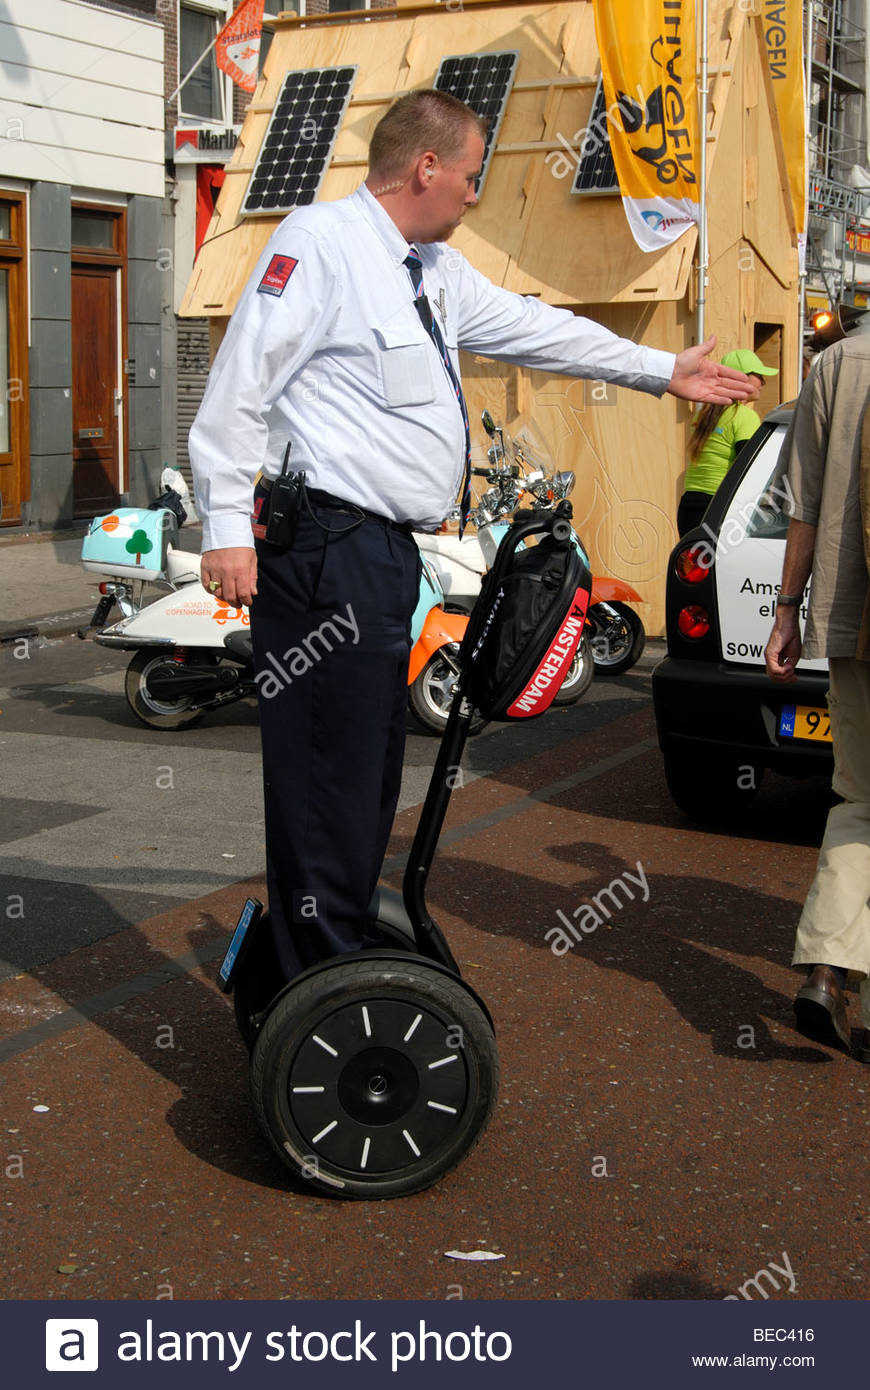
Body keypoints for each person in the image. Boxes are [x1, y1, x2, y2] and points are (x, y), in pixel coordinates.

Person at [189, 88, 753, 984]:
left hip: (379, 553)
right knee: (324, 769)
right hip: (322, 543)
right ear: (425, 168)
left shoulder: (433, 272)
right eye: (470, 175)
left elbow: (537, 330)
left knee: (371, 767)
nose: (473, 192)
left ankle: (337, 949)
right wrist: (226, 528)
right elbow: (238, 386)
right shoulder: (320, 243)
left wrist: (660, 369)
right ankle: (317, 970)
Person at [764, 323, 870, 1058]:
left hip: (850, 615)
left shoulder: (835, 364)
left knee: (860, 796)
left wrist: (786, 611)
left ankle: (830, 969)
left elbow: (802, 505)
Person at [677, 348, 778, 538]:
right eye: (759, 375)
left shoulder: (703, 414)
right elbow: (750, 469)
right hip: (718, 510)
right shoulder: (744, 416)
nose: (763, 382)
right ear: (741, 378)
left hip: (689, 506)